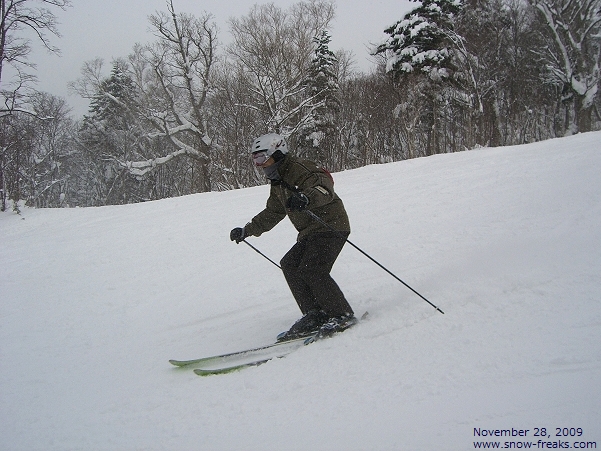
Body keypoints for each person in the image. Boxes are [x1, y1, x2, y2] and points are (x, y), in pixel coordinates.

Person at [230, 133, 356, 341]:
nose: (259, 165)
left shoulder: (298, 167)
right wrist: (247, 230)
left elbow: (324, 187)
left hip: (331, 226)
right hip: (310, 232)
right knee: (289, 264)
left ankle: (341, 314)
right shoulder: (278, 181)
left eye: (262, 158)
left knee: (313, 269)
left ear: (277, 153)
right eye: (255, 160)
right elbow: (273, 212)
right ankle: (315, 313)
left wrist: (306, 197)